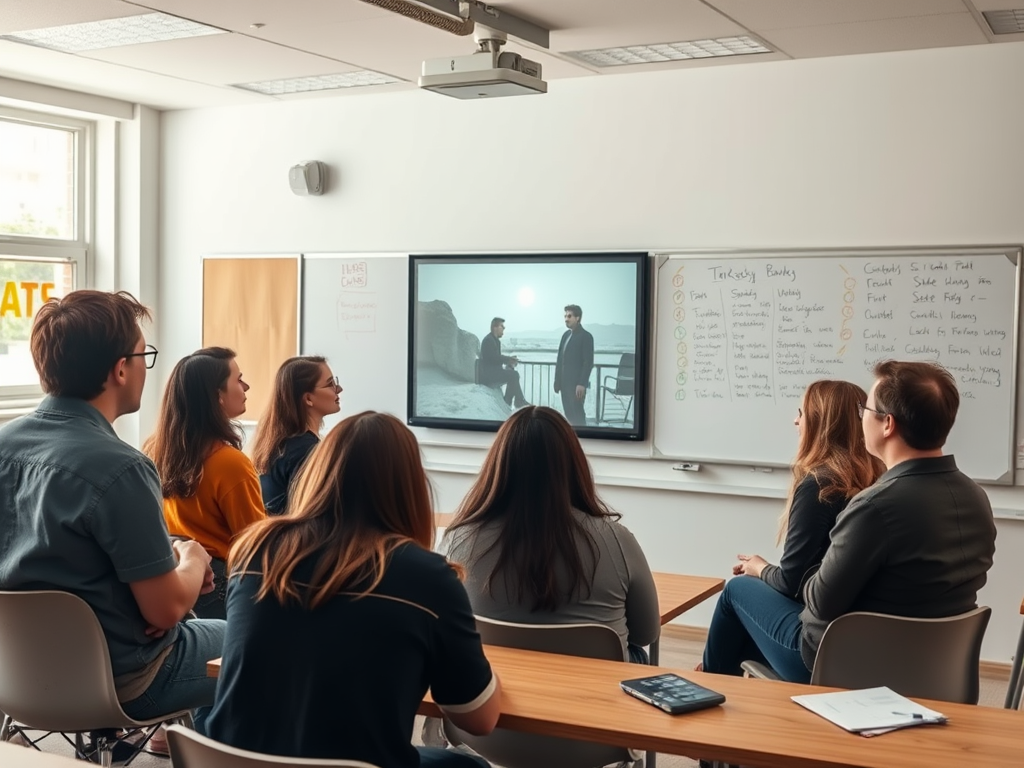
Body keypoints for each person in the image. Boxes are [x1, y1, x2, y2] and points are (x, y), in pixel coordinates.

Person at [207, 412, 501, 768]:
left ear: (319, 471)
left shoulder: (255, 550)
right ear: (410, 486)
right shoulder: (429, 578)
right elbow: (479, 720)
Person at [0, 290, 224, 739]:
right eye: (145, 355)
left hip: (14, 679)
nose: (145, 367)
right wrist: (194, 558)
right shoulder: (123, 469)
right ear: (120, 368)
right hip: (124, 684)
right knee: (247, 635)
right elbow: (164, 611)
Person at [706, 361, 996, 683]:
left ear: (887, 424)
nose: (860, 419)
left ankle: (707, 694)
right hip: (935, 670)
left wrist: (824, 560)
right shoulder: (976, 497)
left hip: (844, 664)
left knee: (738, 590)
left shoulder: (875, 507)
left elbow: (819, 602)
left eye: (865, 410)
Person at [444, 406, 659, 663]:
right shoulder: (617, 540)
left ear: (498, 465)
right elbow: (646, 633)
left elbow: (443, 625)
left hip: (496, 690)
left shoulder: (458, 541)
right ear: (573, 465)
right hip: (595, 696)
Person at [701, 380, 884, 680]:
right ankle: (716, 669)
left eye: (801, 412)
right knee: (748, 620)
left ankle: (709, 680)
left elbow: (792, 582)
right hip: (866, 648)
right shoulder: (877, 484)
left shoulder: (820, 485)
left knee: (737, 590)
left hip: (818, 654)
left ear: (819, 424)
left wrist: (759, 567)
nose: (795, 420)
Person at [145, 347, 265, 620]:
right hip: (219, 588)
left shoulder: (153, 452)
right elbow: (256, 548)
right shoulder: (230, 463)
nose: (245, 386)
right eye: (238, 379)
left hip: (172, 580)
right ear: (217, 396)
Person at [251, 355, 342, 515]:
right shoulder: (305, 450)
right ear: (308, 398)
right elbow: (313, 515)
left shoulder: (281, 443)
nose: (338, 389)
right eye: (330, 384)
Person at [553, 304, 594, 427]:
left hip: (576, 386)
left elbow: (588, 363)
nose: (566, 319)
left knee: (578, 415)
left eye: (569, 316)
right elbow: (560, 360)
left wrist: (582, 383)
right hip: (564, 384)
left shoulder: (586, 336)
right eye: (565, 316)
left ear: (578, 318)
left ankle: (583, 440)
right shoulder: (565, 335)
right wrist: (557, 381)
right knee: (569, 415)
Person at [478, 317, 528, 408]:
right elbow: (492, 358)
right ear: (495, 327)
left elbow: (495, 358)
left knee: (512, 374)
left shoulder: (495, 340)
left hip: (493, 372)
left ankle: (508, 401)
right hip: (489, 375)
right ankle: (518, 401)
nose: (504, 328)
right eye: (502, 326)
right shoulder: (489, 340)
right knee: (514, 375)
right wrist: (508, 359)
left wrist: (509, 362)